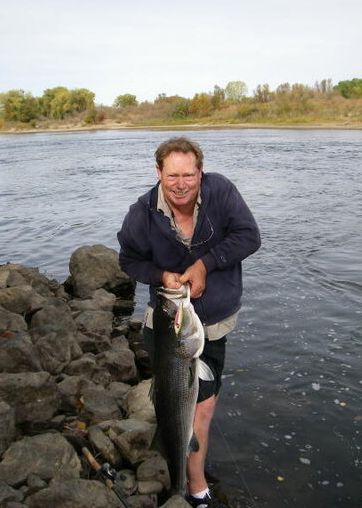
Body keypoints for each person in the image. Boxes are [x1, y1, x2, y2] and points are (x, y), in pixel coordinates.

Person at [117, 137, 260, 507]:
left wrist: (204, 264)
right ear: (158, 172)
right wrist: (163, 275)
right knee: (177, 398)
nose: (180, 184)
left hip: (210, 322)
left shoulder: (222, 191)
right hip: (165, 321)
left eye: (189, 175)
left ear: (201, 172)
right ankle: (190, 483)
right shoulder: (141, 214)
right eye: (172, 176)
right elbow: (129, 262)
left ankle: (186, 477)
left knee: (203, 402)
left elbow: (249, 236)